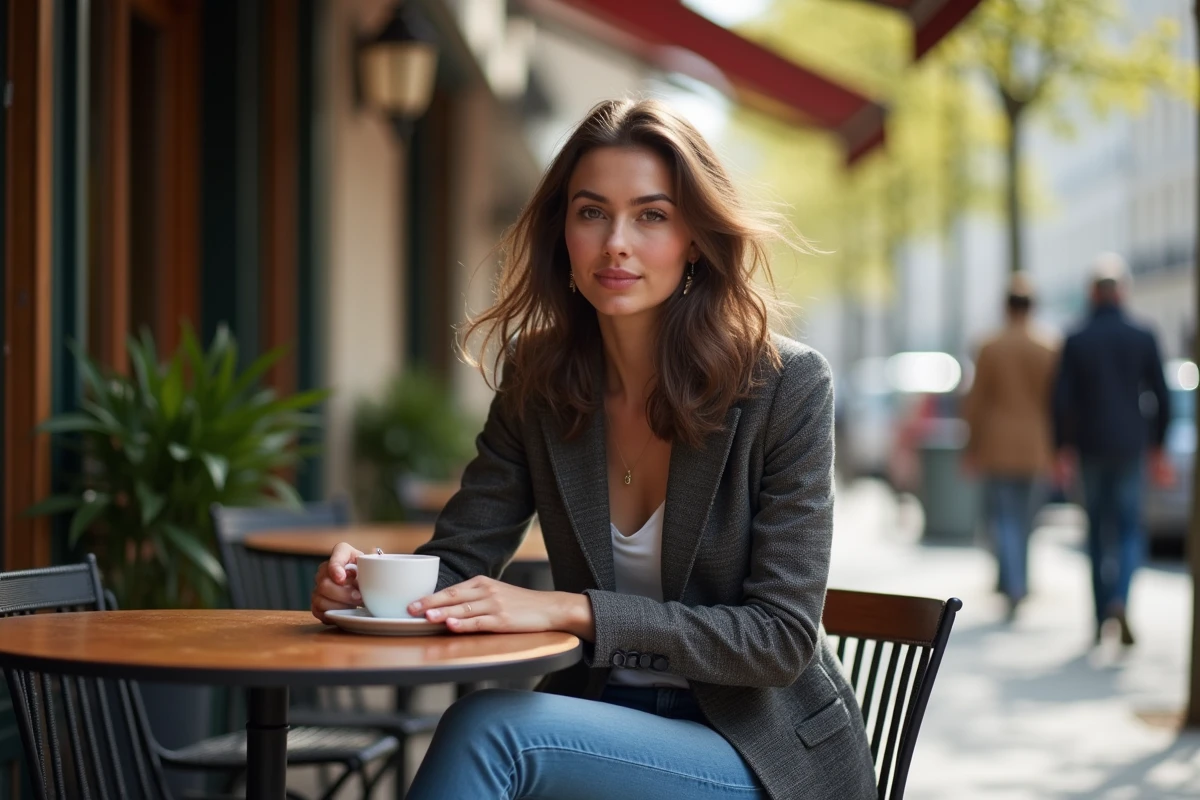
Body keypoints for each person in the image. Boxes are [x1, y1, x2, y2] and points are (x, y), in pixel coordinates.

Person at [310, 98, 877, 800]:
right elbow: (458, 558)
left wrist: (570, 609)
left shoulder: (785, 386)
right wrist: (371, 587)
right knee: (493, 731)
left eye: (652, 215)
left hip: (757, 751)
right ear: (564, 235)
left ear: (694, 237)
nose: (617, 242)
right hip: (603, 718)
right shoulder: (541, 379)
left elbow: (780, 638)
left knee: (491, 732)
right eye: (591, 212)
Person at [1052, 253, 1173, 646]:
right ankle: (1121, 597)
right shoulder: (1142, 333)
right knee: (1128, 530)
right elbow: (1161, 394)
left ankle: (1100, 613)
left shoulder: (1076, 337)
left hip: (1089, 446)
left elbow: (1061, 399)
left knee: (1096, 534)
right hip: (1129, 446)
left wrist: (1061, 449)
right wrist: (1158, 447)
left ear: (1092, 292)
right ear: (1122, 292)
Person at [962, 274, 1059, 620]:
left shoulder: (990, 346)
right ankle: (1018, 580)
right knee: (1026, 520)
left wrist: (971, 445)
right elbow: (1057, 402)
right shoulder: (1048, 346)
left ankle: (1013, 584)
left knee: (1003, 518)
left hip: (997, 443)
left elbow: (976, 400)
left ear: (1006, 307)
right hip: (1036, 444)